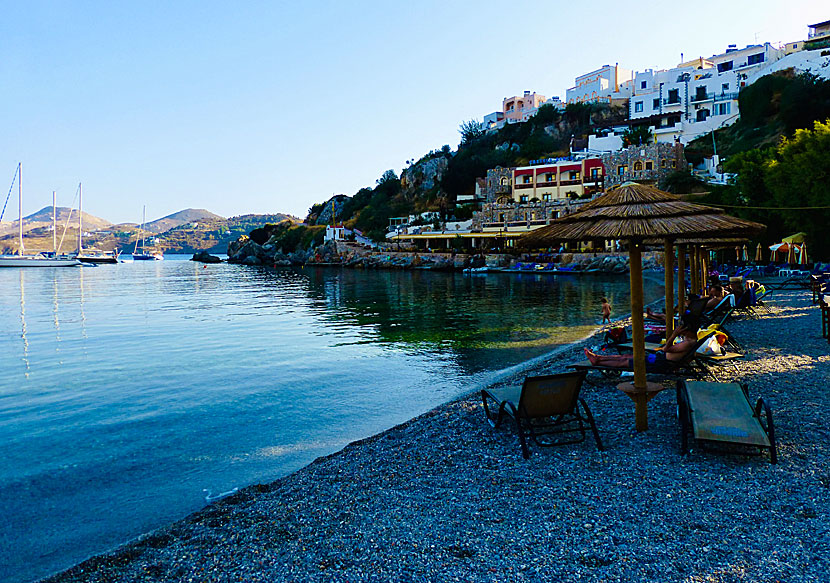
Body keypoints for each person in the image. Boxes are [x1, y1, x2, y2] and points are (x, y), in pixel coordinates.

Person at [584, 316, 700, 370]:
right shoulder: (690, 341)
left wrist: (674, 335)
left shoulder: (688, 343)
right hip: (659, 359)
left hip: (662, 363)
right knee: (627, 356)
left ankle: (599, 360)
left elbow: (665, 349)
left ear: (687, 329)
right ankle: (598, 358)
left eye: (681, 327)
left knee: (625, 362)